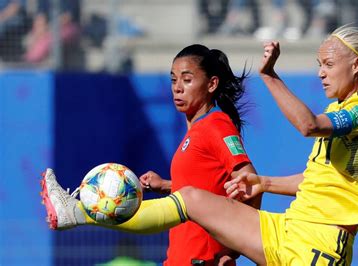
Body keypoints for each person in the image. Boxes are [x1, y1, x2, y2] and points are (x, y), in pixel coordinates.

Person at [40, 8, 358, 265]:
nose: (321, 74)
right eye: (318, 65)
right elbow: (318, 182)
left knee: (193, 199)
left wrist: (270, 76)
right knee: (192, 198)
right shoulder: (349, 116)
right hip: (292, 229)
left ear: (355, 65)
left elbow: (309, 125)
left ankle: (77, 213)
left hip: (318, 245)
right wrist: (262, 182)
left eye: (328, 65)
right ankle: (75, 211)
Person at [42, 44, 260, 266]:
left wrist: (234, 250)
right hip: (179, 258)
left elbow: (251, 183)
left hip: (202, 260)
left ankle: (76, 212)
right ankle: (75, 212)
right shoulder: (195, 131)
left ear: (212, 84)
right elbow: (207, 188)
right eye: (173, 80)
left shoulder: (216, 124)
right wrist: (166, 185)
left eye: (187, 79)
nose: (177, 88)